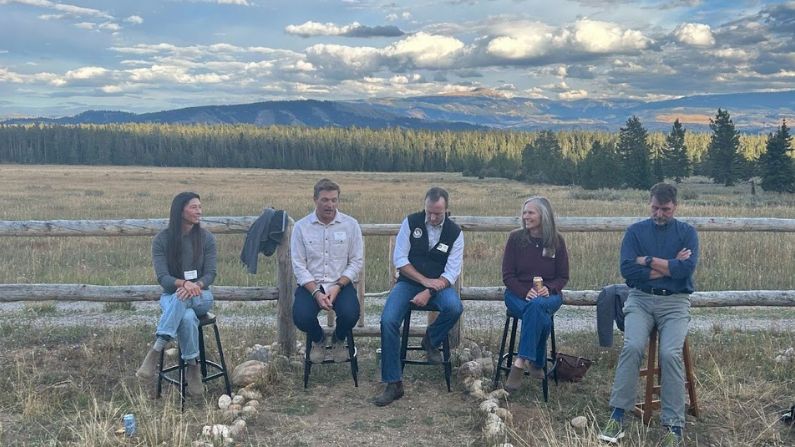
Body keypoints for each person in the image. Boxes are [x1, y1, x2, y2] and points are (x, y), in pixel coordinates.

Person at [599, 183, 699, 447]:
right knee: (632, 346)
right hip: (641, 298)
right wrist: (668, 265)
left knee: (669, 354)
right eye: (655, 208)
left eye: (665, 209)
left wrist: (646, 260)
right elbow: (627, 271)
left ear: (675, 207)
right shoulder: (635, 231)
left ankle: (674, 426)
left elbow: (685, 270)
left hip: (675, 303)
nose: (659, 214)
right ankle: (617, 414)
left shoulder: (687, 233)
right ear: (649, 204)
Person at [374, 186, 464, 406]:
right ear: (425, 206)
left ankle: (431, 340)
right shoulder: (411, 222)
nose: (432, 217)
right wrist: (424, 283)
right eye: (429, 212)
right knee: (388, 320)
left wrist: (430, 290)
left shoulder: (455, 232)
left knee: (454, 308)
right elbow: (400, 260)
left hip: (439, 286)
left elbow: (452, 271)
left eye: (438, 213)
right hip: (409, 282)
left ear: (447, 209)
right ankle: (393, 383)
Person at [136, 192, 217, 396]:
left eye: (200, 206)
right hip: (172, 297)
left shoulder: (206, 238)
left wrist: (195, 285)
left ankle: (157, 348)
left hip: (202, 296)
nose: (199, 211)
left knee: (185, 299)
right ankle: (192, 366)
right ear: (180, 210)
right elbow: (163, 278)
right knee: (187, 316)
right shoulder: (161, 240)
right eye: (194, 207)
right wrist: (183, 284)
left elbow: (211, 274)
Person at [501, 196, 569, 392]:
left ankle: (521, 360)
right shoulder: (516, 238)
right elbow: (507, 275)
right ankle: (536, 362)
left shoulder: (556, 241)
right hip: (517, 294)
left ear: (543, 215)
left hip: (549, 295)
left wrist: (551, 288)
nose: (525, 217)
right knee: (540, 315)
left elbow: (563, 276)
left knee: (538, 306)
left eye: (530, 212)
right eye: (524, 212)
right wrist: (524, 292)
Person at [291, 179, 363, 364]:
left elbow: (356, 261)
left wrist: (338, 286)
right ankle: (319, 339)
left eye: (333, 200)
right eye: (325, 200)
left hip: (341, 283)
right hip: (312, 285)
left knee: (351, 314)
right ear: (315, 200)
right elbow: (298, 265)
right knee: (301, 317)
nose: (329, 205)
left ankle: (339, 338)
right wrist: (315, 292)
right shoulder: (301, 227)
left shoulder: (351, 225)